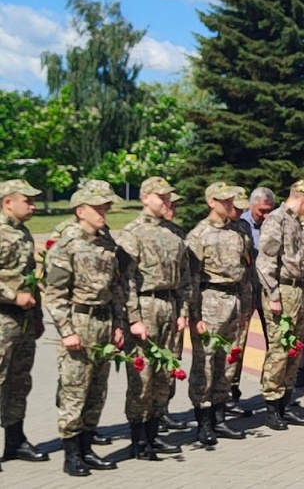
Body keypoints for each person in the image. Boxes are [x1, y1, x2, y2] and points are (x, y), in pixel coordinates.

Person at [44, 180, 127, 476]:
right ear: (80, 210)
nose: (105, 209)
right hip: (79, 320)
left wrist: (118, 325)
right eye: (98, 206)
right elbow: (54, 294)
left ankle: (87, 447)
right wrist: (67, 331)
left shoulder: (107, 243)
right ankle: (71, 455)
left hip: (104, 322)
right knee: (74, 390)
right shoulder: (67, 245)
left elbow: (117, 287)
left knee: (97, 390)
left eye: (106, 205)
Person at [116, 176, 191, 460]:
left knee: (164, 375)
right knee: (142, 377)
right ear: (146, 197)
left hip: (170, 306)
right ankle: (138, 439)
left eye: (169, 197)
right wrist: (133, 318)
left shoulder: (175, 232)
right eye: (162, 197)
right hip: (145, 306)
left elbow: (185, 277)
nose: (167, 202)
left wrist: (183, 312)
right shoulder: (131, 233)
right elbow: (126, 280)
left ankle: (154, 435)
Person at [186, 182, 253, 446]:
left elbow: (246, 272)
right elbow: (190, 279)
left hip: (235, 300)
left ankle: (220, 417)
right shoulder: (199, 234)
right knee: (206, 362)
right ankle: (203, 422)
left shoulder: (239, 231)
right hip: (209, 300)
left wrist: (246, 308)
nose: (230, 205)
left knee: (229, 361)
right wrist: (193, 315)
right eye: (224, 201)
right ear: (211, 202)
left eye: (231, 201)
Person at [256, 180, 304, 430]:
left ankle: (285, 403)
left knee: (295, 349)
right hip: (281, 290)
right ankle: (271, 406)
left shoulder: (295, 221)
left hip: (298, 290)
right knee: (279, 349)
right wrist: (272, 295)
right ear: (303, 197)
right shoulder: (277, 219)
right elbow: (265, 261)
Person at [0, 179, 47, 466]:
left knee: (19, 382)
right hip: (2, 317)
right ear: (8, 202)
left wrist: (38, 315)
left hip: (24, 320)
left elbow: (31, 279)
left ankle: (15, 441)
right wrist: (11, 296)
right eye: (26, 200)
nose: (32, 205)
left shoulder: (24, 233)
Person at [227, 186, 275, 417]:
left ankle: (273, 392)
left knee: (274, 339)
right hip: (245, 291)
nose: (265, 216)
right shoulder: (240, 224)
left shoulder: (274, 223)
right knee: (239, 342)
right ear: (252, 206)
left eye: (269, 211)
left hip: (267, 290)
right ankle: (231, 394)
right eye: (261, 211)